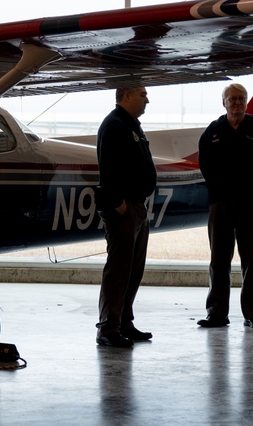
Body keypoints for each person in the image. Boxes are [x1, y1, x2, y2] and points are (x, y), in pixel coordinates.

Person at [196, 83, 253, 330]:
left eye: (241, 99)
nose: (236, 103)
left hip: (251, 204)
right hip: (220, 205)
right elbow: (204, 164)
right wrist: (218, 191)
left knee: (252, 259)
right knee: (218, 258)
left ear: (246, 101)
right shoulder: (213, 131)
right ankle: (216, 313)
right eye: (232, 99)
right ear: (224, 102)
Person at [95, 86, 157, 348]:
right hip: (123, 208)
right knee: (119, 268)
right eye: (142, 94)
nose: (147, 99)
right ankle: (108, 327)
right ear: (127, 95)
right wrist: (117, 202)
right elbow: (108, 166)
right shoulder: (115, 125)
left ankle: (124, 321)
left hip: (136, 207)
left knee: (133, 269)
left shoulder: (131, 125)